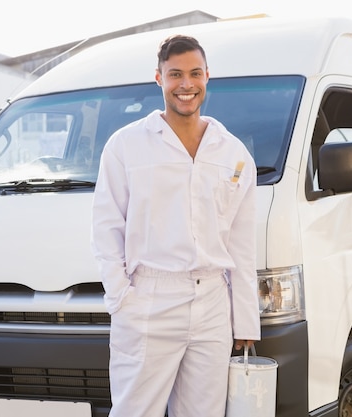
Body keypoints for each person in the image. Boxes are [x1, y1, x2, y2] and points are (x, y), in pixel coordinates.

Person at [91, 35, 261, 417]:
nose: (187, 84)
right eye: (176, 75)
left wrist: (245, 318)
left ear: (207, 77)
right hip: (150, 299)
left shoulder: (233, 153)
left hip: (214, 303)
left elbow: (242, 243)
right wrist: (122, 301)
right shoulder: (126, 146)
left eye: (195, 73)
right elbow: (106, 229)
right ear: (159, 78)